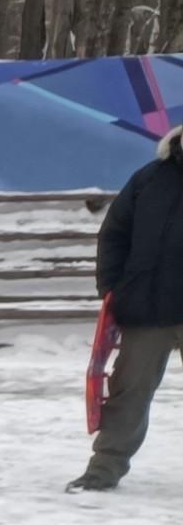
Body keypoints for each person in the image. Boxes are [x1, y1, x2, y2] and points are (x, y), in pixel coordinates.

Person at [79, 125, 183, 491]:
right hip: (147, 309)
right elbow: (114, 234)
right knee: (128, 393)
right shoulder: (148, 179)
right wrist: (112, 288)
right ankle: (103, 471)